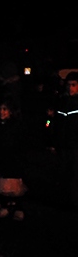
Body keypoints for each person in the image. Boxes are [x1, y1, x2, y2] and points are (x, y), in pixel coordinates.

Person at [52, 71, 78, 210]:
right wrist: (53, 142)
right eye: (69, 85)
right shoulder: (62, 101)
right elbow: (56, 123)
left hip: (75, 145)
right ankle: (63, 200)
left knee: (74, 174)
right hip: (63, 144)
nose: (70, 88)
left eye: (73, 85)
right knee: (63, 173)